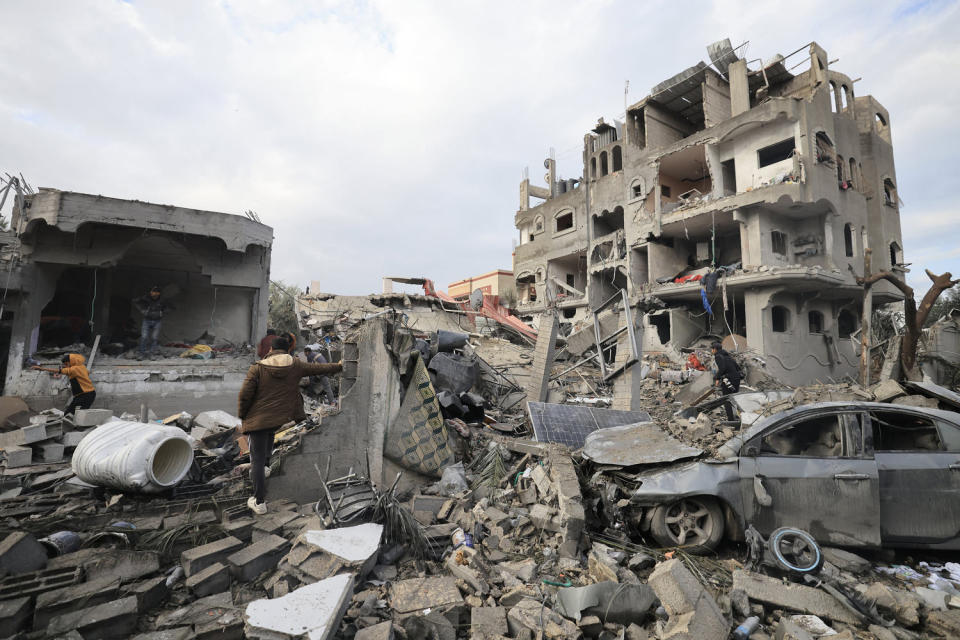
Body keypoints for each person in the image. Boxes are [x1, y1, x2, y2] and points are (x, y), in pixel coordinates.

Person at [237, 334, 342, 514]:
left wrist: (242, 415)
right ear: (288, 350)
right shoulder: (295, 365)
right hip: (279, 417)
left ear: (271, 350)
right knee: (269, 437)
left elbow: (244, 395)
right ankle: (266, 468)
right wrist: (339, 366)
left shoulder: (257, 368)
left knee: (256, 460)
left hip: (258, 419)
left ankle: (259, 501)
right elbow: (318, 368)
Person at [134, 286, 173, 360]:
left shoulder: (162, 300)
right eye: (153, 294)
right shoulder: (147, 299)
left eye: (156, 295)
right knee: (144, 337)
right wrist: (143, 310)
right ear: (151, 294)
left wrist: (162, 312)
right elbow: (136, 301)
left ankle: (151, 354)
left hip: (157, 321)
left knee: (154, 338)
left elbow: (171, 307)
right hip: (147, 320)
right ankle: (142, 354)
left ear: (159, 294)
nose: (154, 296)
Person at [711, 341, 741, 422]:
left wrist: (717, 378)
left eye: (712, 349)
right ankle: (739, 417)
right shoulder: (728, 356)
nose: (711, 351)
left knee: (727, 399)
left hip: (729, 380)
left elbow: (722, 368)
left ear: (715, 349)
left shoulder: (718, 356)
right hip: (736, 379)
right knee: (734, 399)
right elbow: (738, 367)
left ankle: (731, 420)